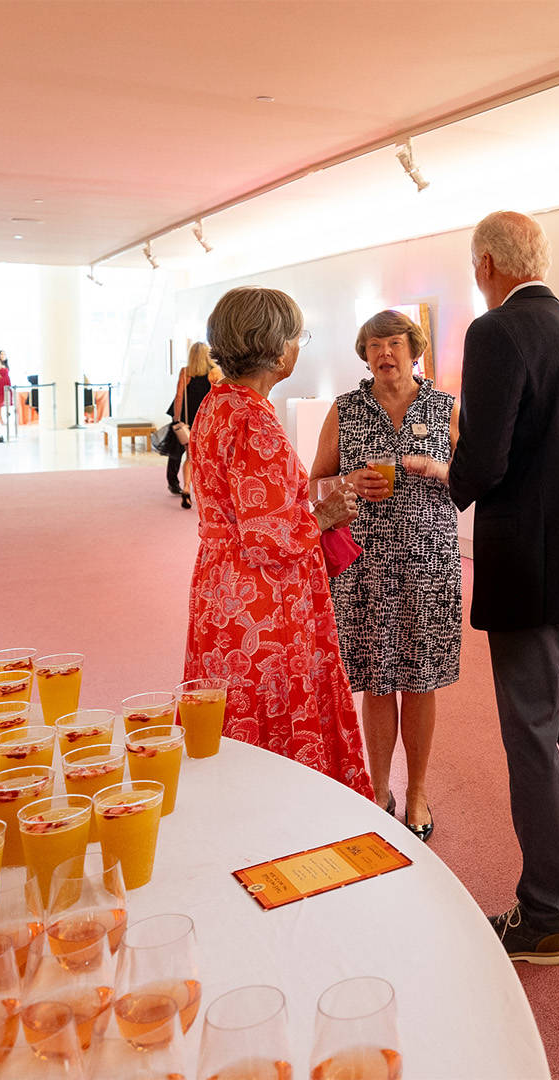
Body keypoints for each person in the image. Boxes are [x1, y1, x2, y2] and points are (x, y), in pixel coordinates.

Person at [406, 211, 559, 966]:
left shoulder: (495, 334)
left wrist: (446, 475)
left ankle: (543, 913)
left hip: (531, 568)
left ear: (487, 264)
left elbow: (483, 461)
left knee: (532, 731)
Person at [181, 287, 374, 799]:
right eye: (296, 335)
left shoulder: (215, 405)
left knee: (230, 701)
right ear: (274, 345)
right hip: (262, 598)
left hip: (220, 584)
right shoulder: (253, 417)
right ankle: (283, 820)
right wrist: (327, 514)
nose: (298, 346)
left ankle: (233, 813)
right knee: (275, 702)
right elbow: (268, 537)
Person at [312, 310, 460, 842]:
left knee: (421, 680)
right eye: (374, 345)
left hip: (429, 561)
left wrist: (436, 469)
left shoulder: (445, 409)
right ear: (365, 353)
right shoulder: (346, 409)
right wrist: (346, 481)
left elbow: (470, 481)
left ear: (413, 348)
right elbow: (314, 483)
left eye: (394, 343)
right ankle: (379, 789)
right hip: (366, 561)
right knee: (377, 680)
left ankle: (416, 790)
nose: (385, 354)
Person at [165, 343, 216, 508]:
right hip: (206, 421)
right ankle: (207, 491)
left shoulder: (186, 372)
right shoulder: (214, 373)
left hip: (188, 420)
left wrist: (177, 418)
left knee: (190, 457)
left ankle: (186, 488)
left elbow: (179, 396)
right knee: (208, 457)